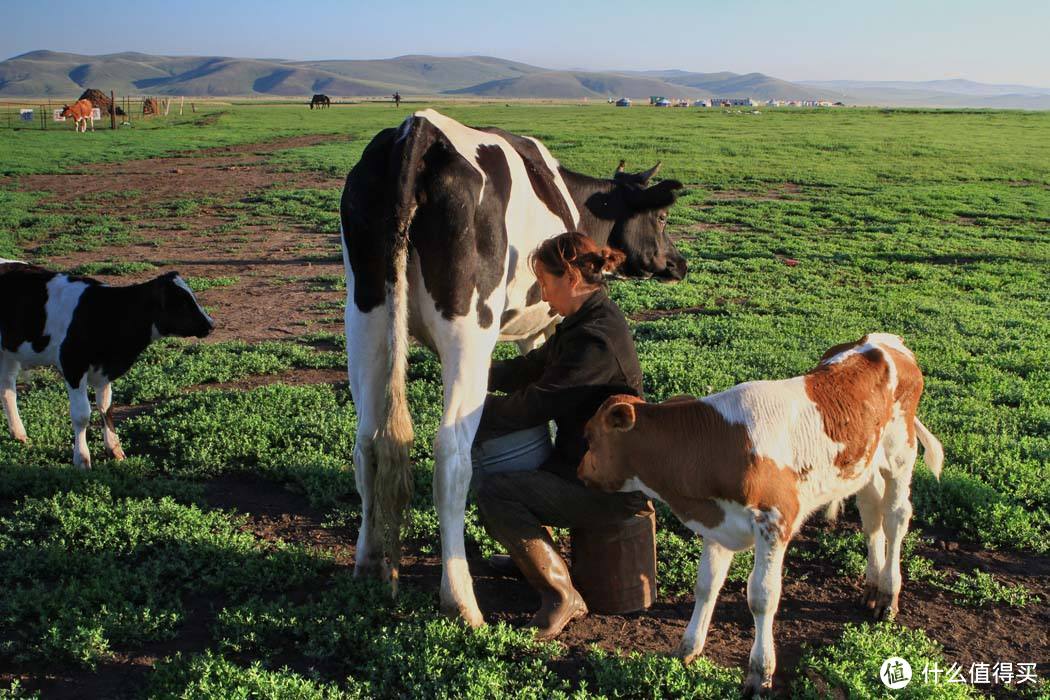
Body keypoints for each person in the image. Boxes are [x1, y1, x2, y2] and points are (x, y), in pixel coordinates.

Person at [474, 231, 653, 640]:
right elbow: (531, 368)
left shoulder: (594, 342)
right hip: (580, 469)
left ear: (572, 279)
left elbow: (534, 404)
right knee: (520, 473)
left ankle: (559, 593)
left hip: (611, 492)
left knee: (496, 493)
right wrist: (466, 366)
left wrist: (470, 409)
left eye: (546, 282)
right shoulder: (586, 322)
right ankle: (535, 558)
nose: (541, 293)